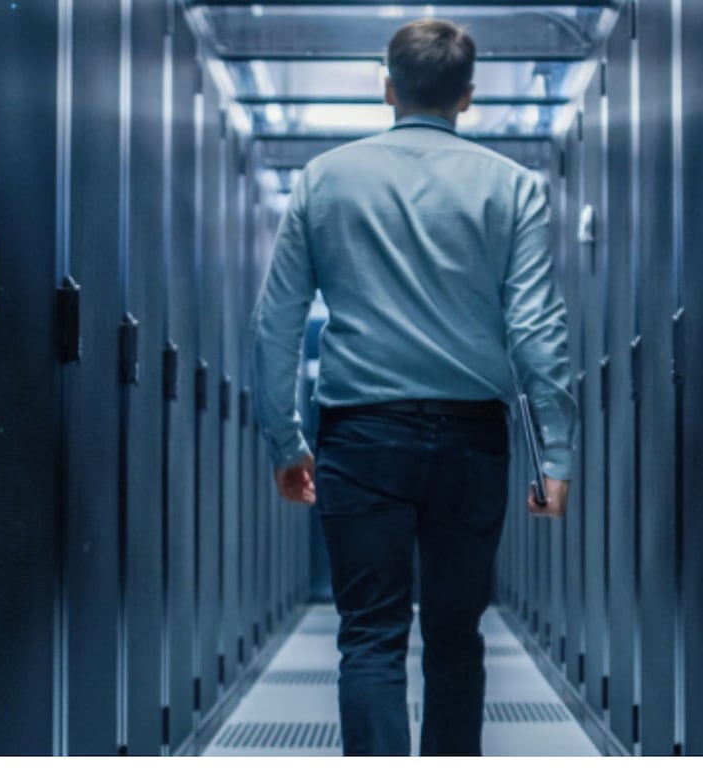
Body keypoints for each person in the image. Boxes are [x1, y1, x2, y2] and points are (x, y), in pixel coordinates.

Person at [249, 18, 577, 757]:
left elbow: (275, 324)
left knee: (369, 637)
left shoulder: (324, 179)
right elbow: (537, 330)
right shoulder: (513, 188)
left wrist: (286, 441)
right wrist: (554, 455)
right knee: (457, 636)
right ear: (468, 96)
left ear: (387, 88)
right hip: (472, 442)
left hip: (360, 437)